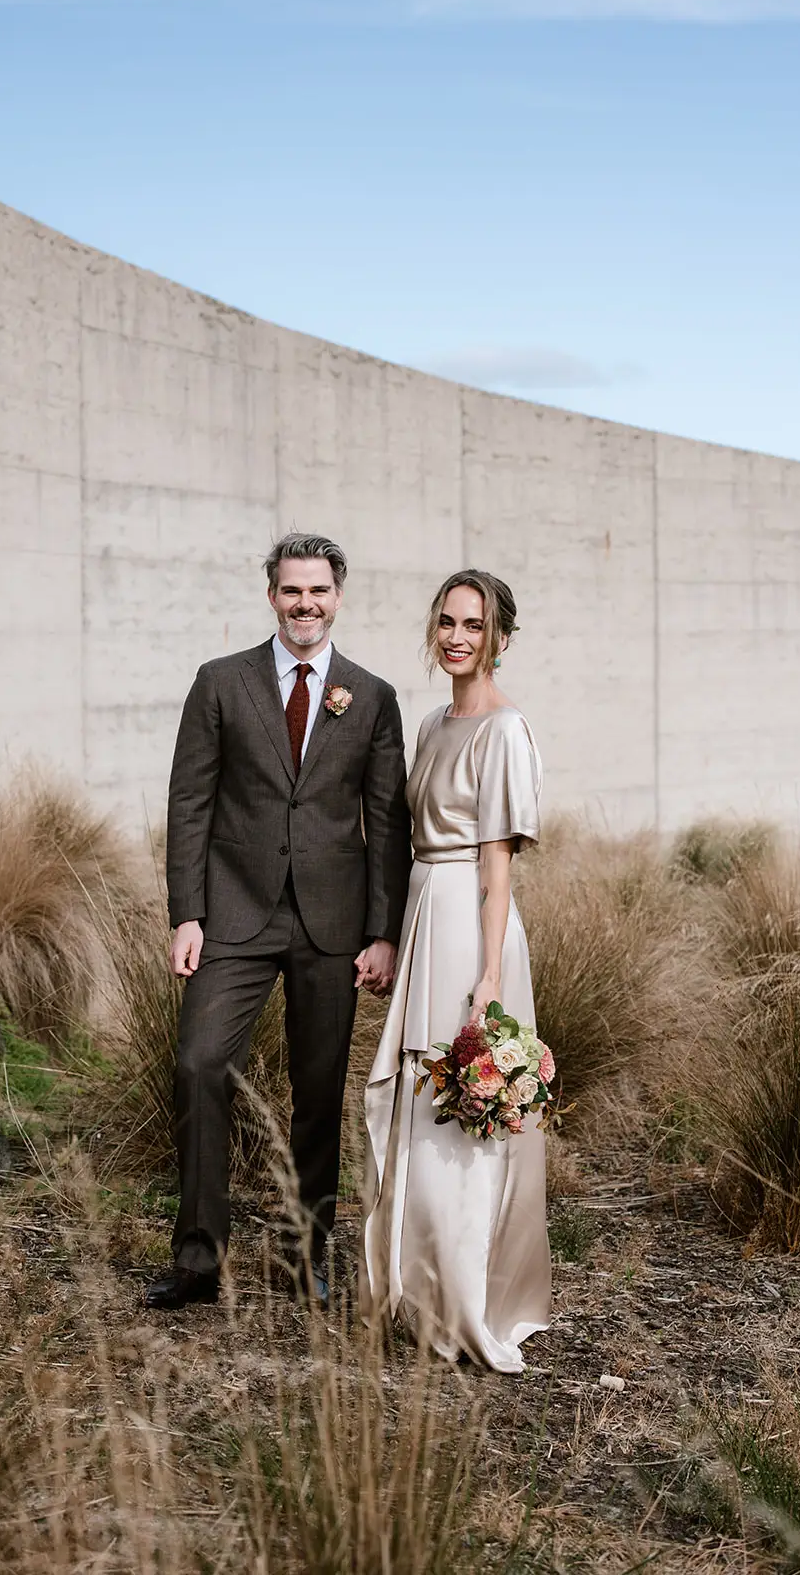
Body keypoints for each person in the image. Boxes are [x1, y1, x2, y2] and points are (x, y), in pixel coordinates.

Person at [147, 531, 412, 1311]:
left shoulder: (372, 697)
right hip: (231, 914)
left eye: (319, 591)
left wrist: (382, 930)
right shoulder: (220, 683)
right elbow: (189, 802)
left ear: (339, 597)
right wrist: (186, 914)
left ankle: (305, 1258)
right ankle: (198, 1262)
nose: (305, 604)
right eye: (292, 591)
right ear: (272, 596)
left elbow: (386, 825)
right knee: (198, 1065)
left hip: (332, 925)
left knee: (318, 1092)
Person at [361, 569, 552, 1373]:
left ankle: (466, 1302)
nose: (456, 637)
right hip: (422, 907)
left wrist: (487, 977)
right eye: (446, 621)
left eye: (473, 625)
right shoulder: (435, 720)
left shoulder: (504, 731)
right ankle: (415, 1288)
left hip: (471, 922)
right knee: (416, 1097)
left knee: (461, 1106)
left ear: (500, 639)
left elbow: (495, 863)